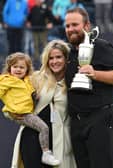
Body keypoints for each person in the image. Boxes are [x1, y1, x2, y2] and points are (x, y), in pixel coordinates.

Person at [64, 7, 113, 168]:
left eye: (74, 25)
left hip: (101, 117)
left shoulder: (101, 46)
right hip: (77, 122)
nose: (70, 29)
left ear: (86, 26)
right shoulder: (68, 53)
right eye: (67, 26)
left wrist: (95, 74)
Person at [10, 40, 77, 168]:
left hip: (60, 141)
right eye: (51, 58)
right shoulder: (36, 78)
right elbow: (12, 91)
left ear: (66, 58)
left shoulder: (73, 81)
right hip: (32, 138)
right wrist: (12, 113)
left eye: (58, 57)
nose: (54, 61)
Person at [0, 52, 60, 166]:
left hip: (28, 112)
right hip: (21, 114)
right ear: (9, 68)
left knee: (42, 128)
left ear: (27, 69)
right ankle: (46, 153)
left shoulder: (28, 80)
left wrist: (34, 94)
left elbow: (30, 92)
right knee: (44, 128)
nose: (18, 69)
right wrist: (9, 110)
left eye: (22, 67)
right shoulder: (6, 80)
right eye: (15, 67)